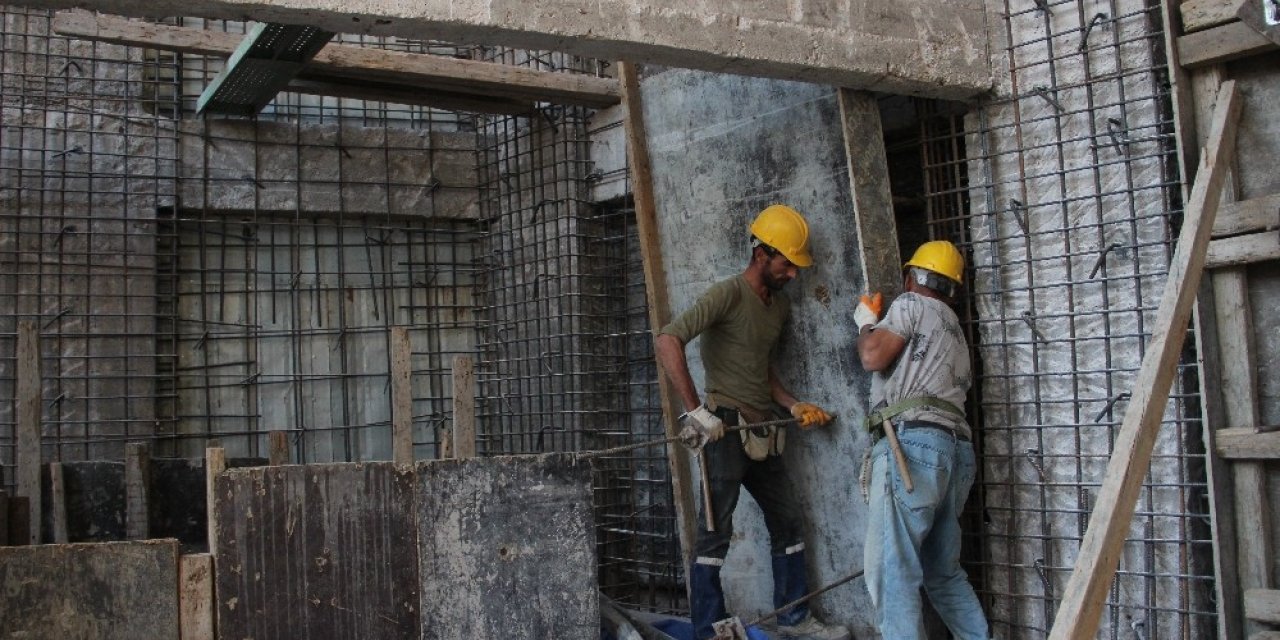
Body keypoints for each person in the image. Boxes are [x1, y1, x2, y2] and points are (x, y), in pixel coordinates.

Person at [655, 204, 850, 640]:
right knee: (714, 534)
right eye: (787, 264)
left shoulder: (777, 308)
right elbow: (669, 339)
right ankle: (709, 631)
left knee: (788, 523)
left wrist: (794, 405)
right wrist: (696, 410)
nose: (793, 275)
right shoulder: (727, 294)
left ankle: (794, 619)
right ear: (762, 254)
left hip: (763, 429)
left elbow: (763, 370)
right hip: (724, 427)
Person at [854, 239, 989, 639]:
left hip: (912, 447)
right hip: (955, 454)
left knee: (891, 571)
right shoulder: (956, 333)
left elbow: (872, 357)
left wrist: (866, 323)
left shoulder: (911, 305)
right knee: (942, 574)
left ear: (911, 278)